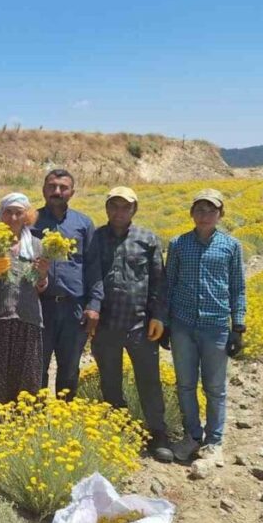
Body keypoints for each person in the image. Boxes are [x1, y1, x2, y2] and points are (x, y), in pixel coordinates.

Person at [89, 187, 173, 463]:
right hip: (106, 327)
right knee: (110, 382)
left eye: (125, 207)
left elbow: (159, 283)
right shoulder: (96, 238)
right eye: (114, 205)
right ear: (106, 208)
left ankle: (158, 433)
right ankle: (118, 431)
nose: (119, 211)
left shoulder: (147, 238)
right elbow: (91, 277)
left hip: (140, 326)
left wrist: (158, 317)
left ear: (134, 210)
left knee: (148, 381)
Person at [165, 189, 246, 468]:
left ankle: (214, 442)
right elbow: (168, 284)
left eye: (211, 210)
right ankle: (192, 436)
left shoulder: (231, 246)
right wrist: (163, 322)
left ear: (220, 214)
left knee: (215, 388)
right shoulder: (178, 244)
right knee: (185, 384)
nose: (205, 215)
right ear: (192, 213)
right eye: (199, 209)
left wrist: (238, 326)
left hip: (216, 326)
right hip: (183, 324)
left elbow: (238, 287)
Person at [0, 192, 49, 415]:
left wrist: (43, 275)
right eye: (8, 212)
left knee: (26, 377)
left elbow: (41, 286)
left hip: (28, 319)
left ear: (28, 216)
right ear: (1, 214)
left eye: (19, 213)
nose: (13, 217)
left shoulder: (37, 245)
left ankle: (20, 430)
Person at [31, 169, 103, 400]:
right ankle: (36, 416)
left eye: (63, 187)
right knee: (36, 364)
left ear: (72, 192)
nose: (57, 192)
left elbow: (93, 267)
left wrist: (94, 305)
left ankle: (65, 412)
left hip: (74, 307)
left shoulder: (82, 223)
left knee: (70, 367)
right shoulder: (31, 220)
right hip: (39, 305)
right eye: (52, 186)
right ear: (44, 189)